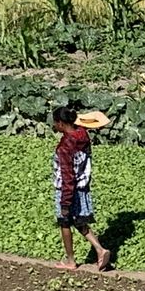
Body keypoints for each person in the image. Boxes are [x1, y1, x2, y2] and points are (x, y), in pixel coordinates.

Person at [52, 104, 113, 271]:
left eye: (56, 123)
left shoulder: (66, 147)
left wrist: (65, 203)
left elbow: (67, 177)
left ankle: (70, 260)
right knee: (79, 221)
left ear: (61, 124)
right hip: (82, 188)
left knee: (64, 222)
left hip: (68, 190)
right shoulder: (82, 135)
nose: (54, 126)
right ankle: (100, 250)